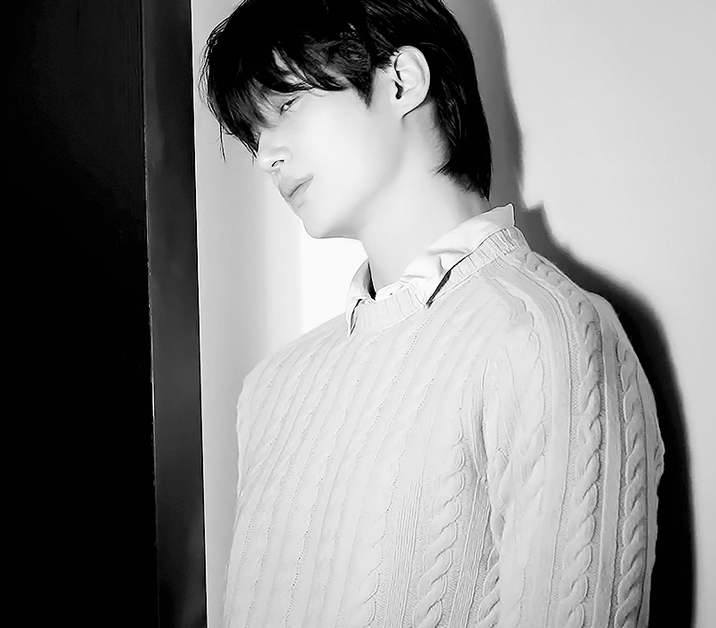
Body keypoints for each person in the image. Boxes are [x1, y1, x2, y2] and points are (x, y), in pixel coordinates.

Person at [202, 0, 664, 626]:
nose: (265, 156)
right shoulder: (271, 389)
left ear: (401, 81)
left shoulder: (543, 334)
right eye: (254, 132)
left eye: (286, 105)